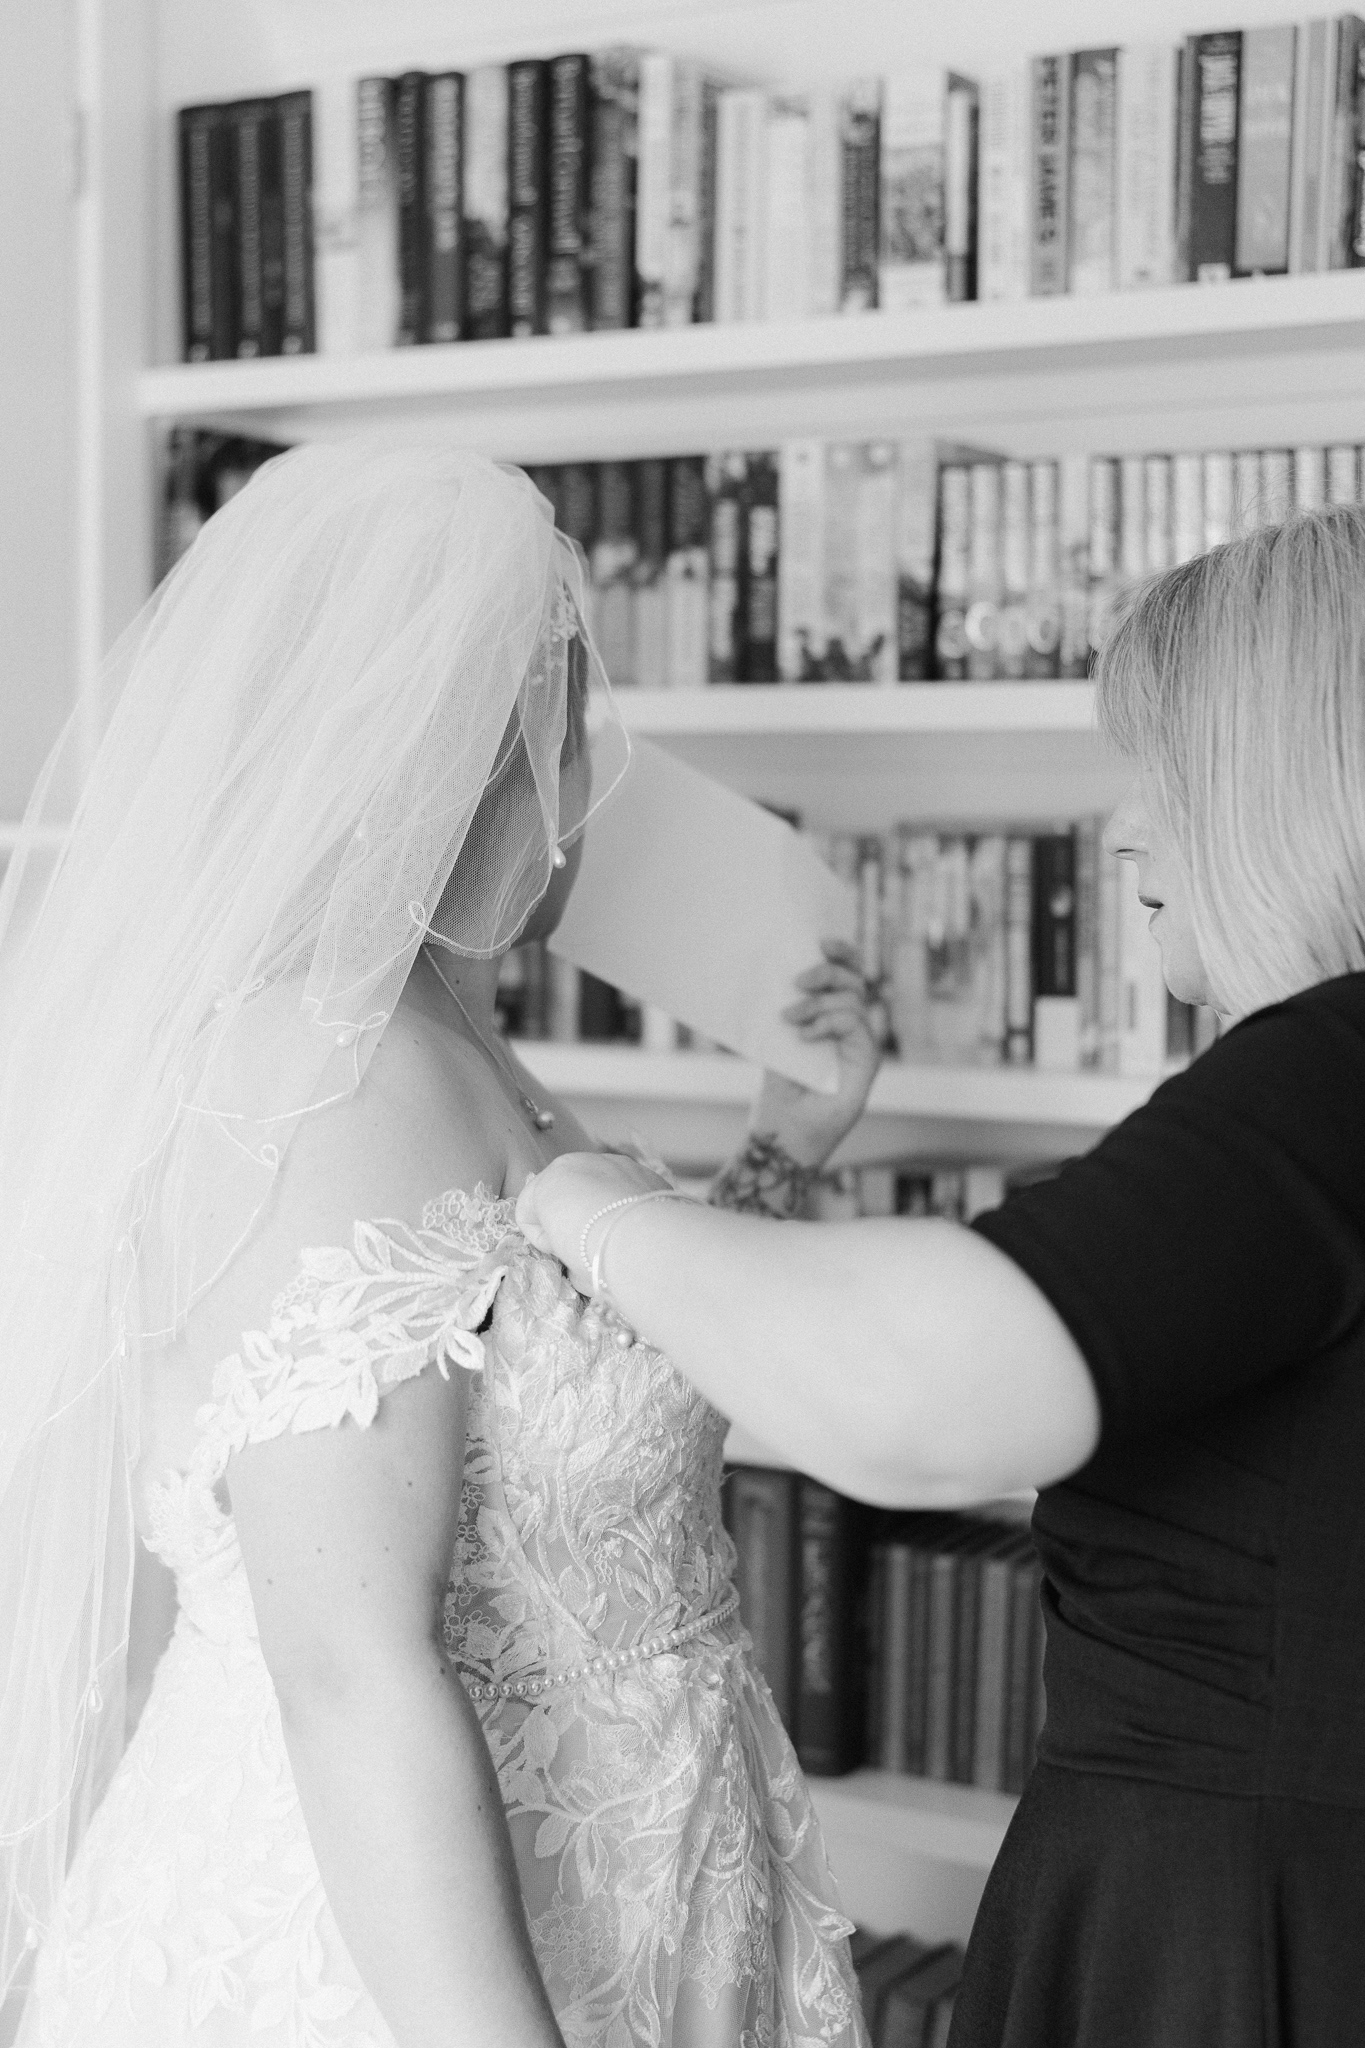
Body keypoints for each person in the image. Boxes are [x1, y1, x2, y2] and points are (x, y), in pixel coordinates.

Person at [0, 443, 883, 2048]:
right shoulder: (321, 1079)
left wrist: (782, 1150)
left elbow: (575, 1401)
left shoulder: (447, 1034)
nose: (588, 786)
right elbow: (349, 1670)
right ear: (457, 757)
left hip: (642, 1875)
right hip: (411, 1959)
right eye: (566, 729)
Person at [518, 505, 1365, 2047]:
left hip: (1241, 1937)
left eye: (1164, 777)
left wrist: (593, 1206)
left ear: (1287, 791)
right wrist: (783, 1149)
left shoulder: (1332, 1072)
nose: (1123, 835)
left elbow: (920, 1400)